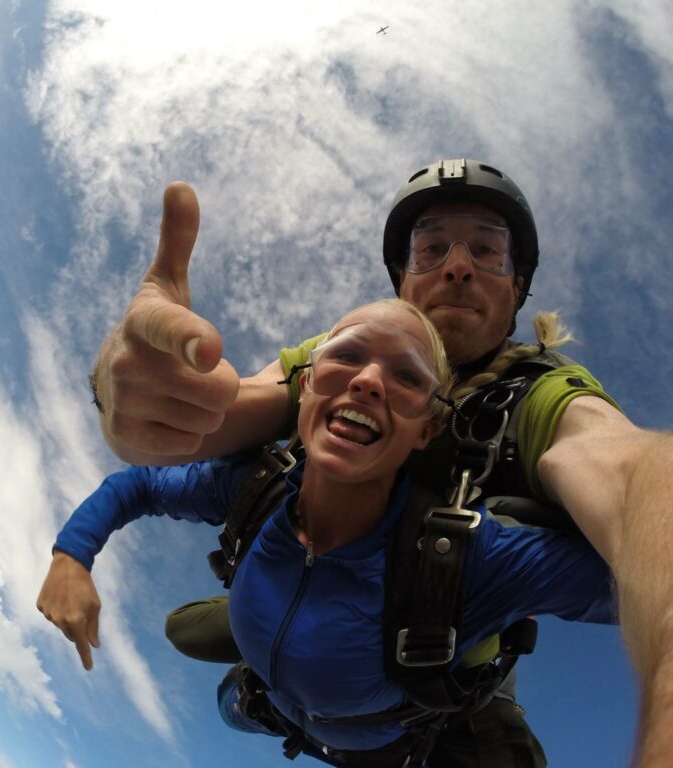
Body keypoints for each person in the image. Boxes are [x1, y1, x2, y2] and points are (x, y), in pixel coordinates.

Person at [86, 160, 673, 765]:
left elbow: (623, 467)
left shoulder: (538, 392)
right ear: (401, 278)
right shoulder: (344, 356)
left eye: (487, 251)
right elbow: (220, 411)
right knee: (198, 636)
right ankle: (272, 661)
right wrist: (136, 394)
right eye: (432, 248)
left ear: (517, 285)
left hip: (437, 657)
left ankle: (289, 659)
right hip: (316, 577)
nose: (458, 265)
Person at [39, 299, 614, 766]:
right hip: (276, 678)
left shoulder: (466, 558)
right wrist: (72, 554)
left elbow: (639, 581)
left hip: (380, 744)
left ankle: (253, 697)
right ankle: (255, 689)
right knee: (181, 632)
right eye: (347, 356)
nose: (367, 381)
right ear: (307, 385)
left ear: (426, 430)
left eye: (406, 376)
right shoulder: (254, 488)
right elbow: (140, 483)